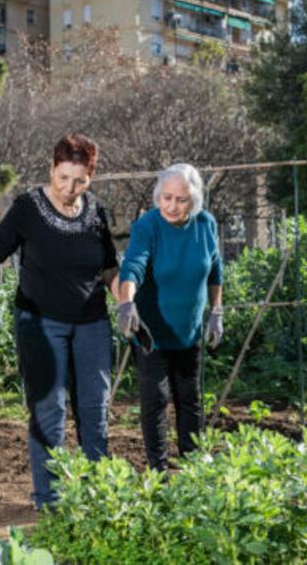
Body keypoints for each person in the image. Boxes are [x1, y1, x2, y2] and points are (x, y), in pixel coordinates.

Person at [0, 134, 118, 508]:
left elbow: (108, 268)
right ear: (52, 169)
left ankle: (98, 498)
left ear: (90, 178)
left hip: (92, 323)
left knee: (95, 411)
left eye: (79, 181)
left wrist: (128, 302)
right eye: (63, 177)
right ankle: (50, 502)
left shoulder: (96, 213)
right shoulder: (28, 207)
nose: (70, 188)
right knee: (49, 411)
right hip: (40, 324)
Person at [117, 163, 223, 472]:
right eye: (166, 198)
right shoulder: (147, 226)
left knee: (190, 398)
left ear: (195, 200)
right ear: (158, 196)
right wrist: (126, 303)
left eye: (181, 199)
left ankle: (193, 467)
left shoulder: (205, 224)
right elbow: (133, 266)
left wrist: (216, 312)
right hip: (151, 331)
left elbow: (215, 270)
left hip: (189, 330)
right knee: (157, 399)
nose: (172, 206)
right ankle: (159, 471)